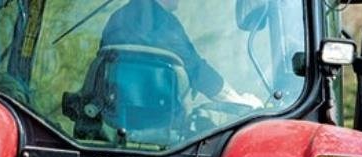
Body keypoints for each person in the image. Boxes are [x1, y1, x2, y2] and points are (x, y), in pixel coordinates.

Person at [100, 0, 261, 107]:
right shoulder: (165, 24)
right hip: (161, 117)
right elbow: (196, 70)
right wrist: (238, 100)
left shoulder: (116, 19)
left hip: (116, 113)